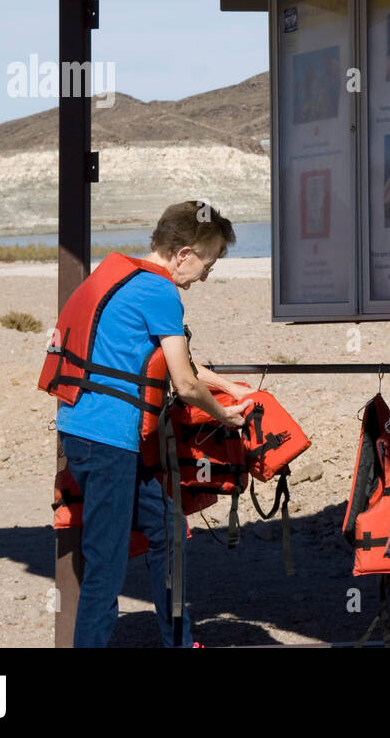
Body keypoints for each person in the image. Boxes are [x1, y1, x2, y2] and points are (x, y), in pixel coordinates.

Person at [55, 201, 252, 647]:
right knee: (105, 564)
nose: (207, 274)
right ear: (183, 254)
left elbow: (178, 362)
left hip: (93, 435)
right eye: (210, 261)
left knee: (168, 530)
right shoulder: (160, 292)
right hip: (106, 441)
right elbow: (183, 382)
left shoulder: (127, 278)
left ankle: (179, 641)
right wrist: (224, 415)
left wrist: (230, 387)